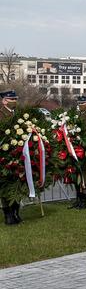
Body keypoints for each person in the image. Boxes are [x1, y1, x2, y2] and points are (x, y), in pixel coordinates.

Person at [0, 90, 20, 224]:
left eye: (15, 99)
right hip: (4, 154)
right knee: (5, 184)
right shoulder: (1, 114)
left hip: (18, 154)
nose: (14, 101)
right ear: (4, 101)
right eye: (12, 99)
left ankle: (16, 212)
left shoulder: (17, 114)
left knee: (17, 183)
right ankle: (8, 214)